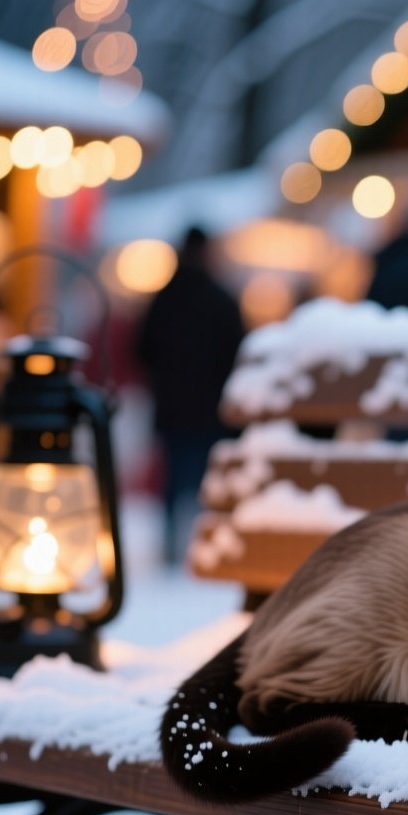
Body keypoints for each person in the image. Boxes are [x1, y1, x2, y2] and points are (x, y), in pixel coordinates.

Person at [135, 227, 245, 565]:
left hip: (172, 407)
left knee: (173, 482)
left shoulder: (164, 298)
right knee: (205, 483)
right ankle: (203, 547)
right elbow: (238, 351)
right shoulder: (220, 298)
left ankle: (172, 547)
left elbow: (142, 349)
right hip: (210, 410)